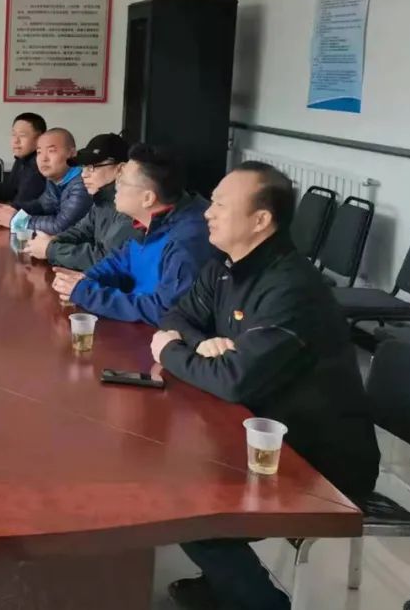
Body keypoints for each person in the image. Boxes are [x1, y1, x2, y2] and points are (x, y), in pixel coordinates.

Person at [150, 162, 380, 610]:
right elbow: (177, 316)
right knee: (167, 472)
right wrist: (201, 343)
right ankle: (223, 586)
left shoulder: (292, 289)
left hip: (317, 460)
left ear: (260, 220)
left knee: (187, 509)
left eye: (220, 204)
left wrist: (170, 351)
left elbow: (233, 380)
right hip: (261, 431)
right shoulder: (225, 266)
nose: (207, 212)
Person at [51, 144, 214, 326]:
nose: (115, 187)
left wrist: (89, 294)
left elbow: (166, 311)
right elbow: (121, 260)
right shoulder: (152, 219)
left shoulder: (188, 240)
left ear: (147, 198)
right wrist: (87, 278)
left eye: (122, 182)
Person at [26, 132, 137, 269]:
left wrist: (51, 250)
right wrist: (53, 240)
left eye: (91, 167)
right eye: (83, 167)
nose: (84, 174)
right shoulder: (101, 200)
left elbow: (106, 259)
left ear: (120, 169)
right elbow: (81, 231)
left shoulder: (130, 207)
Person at [0, 127, 90, 235]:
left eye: (51, 151)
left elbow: (60, 227)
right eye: (39, 152)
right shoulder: (55, 178)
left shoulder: (84, 184)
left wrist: (17, 220)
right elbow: (42, 206)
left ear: (72, 153)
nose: (43, 159)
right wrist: (12, 208)